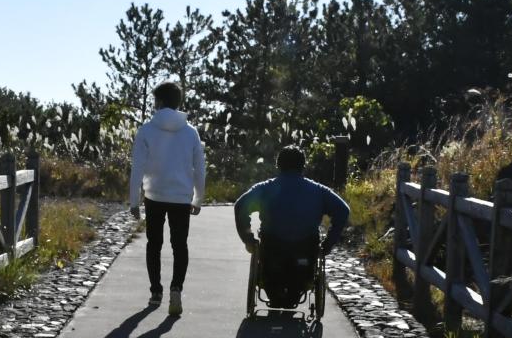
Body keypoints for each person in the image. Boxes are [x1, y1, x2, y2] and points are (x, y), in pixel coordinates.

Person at [234, 146, 351, 308]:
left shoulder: (266, 188)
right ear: (303, 166)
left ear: (278, 165)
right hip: (305, 248)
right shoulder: (318, 191)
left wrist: (248, 239)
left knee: (270, 262)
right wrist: (328, 244)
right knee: (303, 266)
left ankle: (275, 291)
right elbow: (343, 210)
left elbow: (240, 206)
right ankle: (294, 291)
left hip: (273, 247)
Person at [129, 81, 207, 316]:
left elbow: (137, 168)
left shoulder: (146, 130)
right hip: (181, 197)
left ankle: (156, 292)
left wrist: (134, 201)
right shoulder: (190, 132)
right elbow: (199, 169)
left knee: (154, 244)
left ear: (160, 101)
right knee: (179, 245)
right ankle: (176, 289)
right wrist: (198, 199)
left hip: (154, 195)